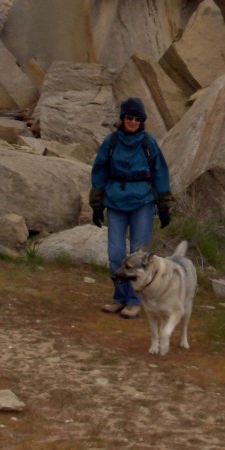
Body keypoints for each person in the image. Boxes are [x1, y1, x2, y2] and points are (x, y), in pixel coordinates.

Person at [89, 97, 172, 318]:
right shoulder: (111, 142)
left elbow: (161, 173)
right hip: (115, 202)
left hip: (142, 203)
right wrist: (97, 205)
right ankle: (119, 298)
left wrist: (164, 207)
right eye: (129, 117)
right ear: (123, 119)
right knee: (115, 254)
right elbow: (99, 171)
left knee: (139, 255)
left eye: (137, 118)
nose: (133, 121)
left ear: (142, 121)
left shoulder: (149, 143)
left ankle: (135, 301)